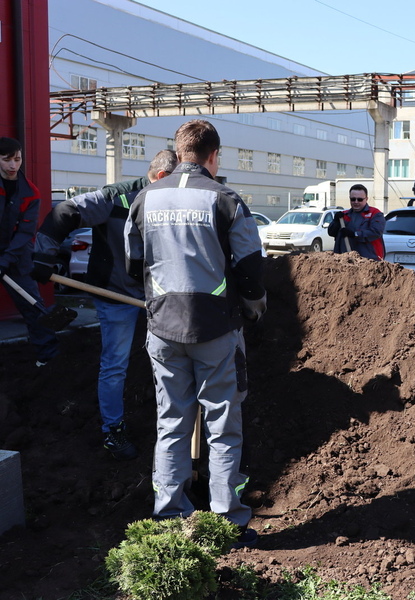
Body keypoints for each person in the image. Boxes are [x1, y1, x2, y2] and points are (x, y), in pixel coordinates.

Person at [124, 120, 266, 545]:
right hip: (215, 327)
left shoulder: (145, 198)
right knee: (223, 424)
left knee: (171, 422)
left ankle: (170, 519)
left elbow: (134, 263)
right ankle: (227, 524)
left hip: (163, 326)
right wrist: (253, 304)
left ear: (179, 151)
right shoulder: (224, 198)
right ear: (213, 156)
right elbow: (250, 264)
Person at [31, 150, 178, 460]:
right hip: (117, 297)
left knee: (169, 361)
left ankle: (171, 427)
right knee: (115, 364)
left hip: (159, 297)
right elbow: (65, 212)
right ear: (162, 177)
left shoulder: (175, 200)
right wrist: (44, 254)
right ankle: (113, 430)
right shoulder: (116, 197)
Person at [0, 137, 59, 366]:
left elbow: (26, 232)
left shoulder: (30, 192)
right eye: (7, 160)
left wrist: (6, 260)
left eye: (17, 159)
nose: (13, 165)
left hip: (17, 257)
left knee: (33, 305)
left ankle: (48, 358)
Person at [328, 184, 385, 260]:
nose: (356, 202)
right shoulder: (344, 215)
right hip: (345, 261)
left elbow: (376, 232)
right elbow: (331, 232)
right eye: (353, 199)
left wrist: (355, 234)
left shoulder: (375, 214)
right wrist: (335, 222)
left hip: (369, 260)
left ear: (366, 199)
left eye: (360, 199)